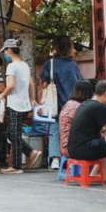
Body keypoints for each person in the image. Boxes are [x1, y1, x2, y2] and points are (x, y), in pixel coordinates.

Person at [0, 39, 42, 174]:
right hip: (24, 105)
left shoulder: (12, 66)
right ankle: (30, 152)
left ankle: (16, 166)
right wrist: (32, 99)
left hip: (15, 105)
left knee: (14, 135)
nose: (5, 53)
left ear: (10, 50)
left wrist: (2, 95)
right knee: (11, 134)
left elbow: (10, 86)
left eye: (5, 50)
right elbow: (31, 83)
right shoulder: (24, 65)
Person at [40, 36, 83, 171]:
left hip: (55, 104)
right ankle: (72, 158)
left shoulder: (50, 64)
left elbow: (45, 84)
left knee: (54, 131)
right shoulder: (73, 65)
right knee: (72, 132)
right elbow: (79, 83)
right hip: (71, 104)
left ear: (56, 47)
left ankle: (55, 160)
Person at [58, 80, 95, 159]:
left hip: (65, 146)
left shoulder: (69, 104)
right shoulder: (79, 107)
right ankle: (99, 170)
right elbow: (89, 128)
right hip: (74, 147)